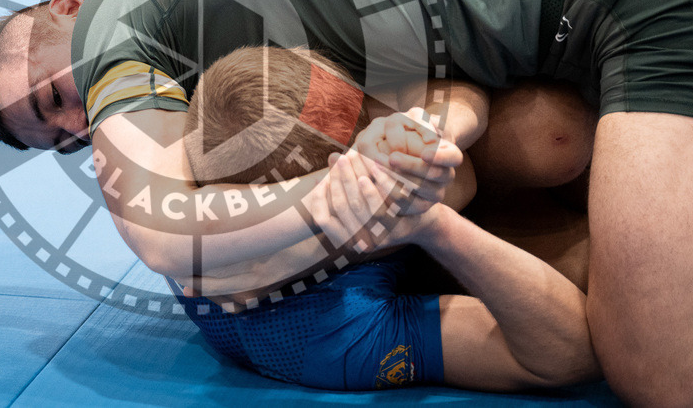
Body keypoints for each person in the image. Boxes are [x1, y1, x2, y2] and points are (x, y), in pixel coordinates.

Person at [0, 0, 693, 405]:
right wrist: (405, 167)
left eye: (52, 99)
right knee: (555, 142)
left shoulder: (119, 32)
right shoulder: (198, 23)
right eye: (66, 140)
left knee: (657, 373)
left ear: (70, 8)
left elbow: (166, 238)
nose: (82, 125)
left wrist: (352, 192)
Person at [170, 45, 597, 391]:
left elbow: (454, 97)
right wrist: (434, 228)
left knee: (553, 133)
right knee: (599, 269)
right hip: (409, 259)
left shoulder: (185, 198)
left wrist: (436, 130)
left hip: (370, 237)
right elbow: (570, 354)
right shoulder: (329, 336)